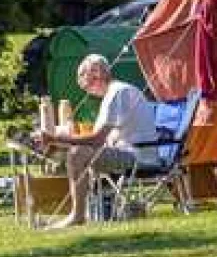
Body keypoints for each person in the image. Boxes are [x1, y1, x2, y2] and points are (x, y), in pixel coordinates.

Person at [35, 54, 159, 229]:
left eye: (83, 81)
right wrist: (62, 139)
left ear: (96, 74)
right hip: (127, 151)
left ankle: (77, 215)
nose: (85, 89)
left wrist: (55, 138)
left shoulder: (118, 92)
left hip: (137, 155)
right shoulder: (114, 93)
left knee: (78, 154)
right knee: (74, 151)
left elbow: (97, 139)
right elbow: (101, 138)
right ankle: (78, 212)